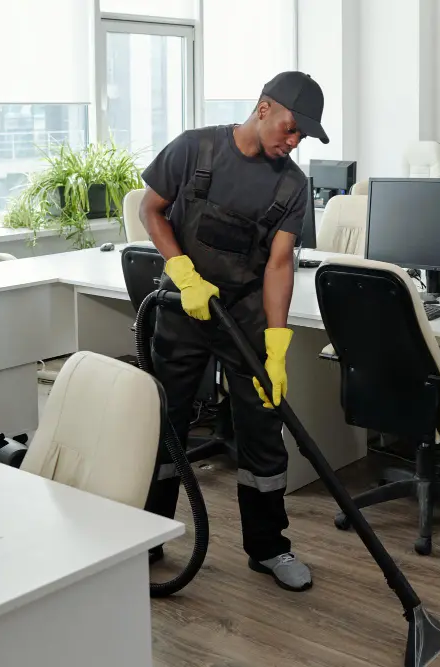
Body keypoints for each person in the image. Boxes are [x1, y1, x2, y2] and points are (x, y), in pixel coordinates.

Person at [138, 71, 328, 593]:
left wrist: (276, 344)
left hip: (242, 316)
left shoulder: (292, 184)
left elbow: (279, 264)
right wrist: (180, 270)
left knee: (263, 432)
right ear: (264, 107)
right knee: (166, 425)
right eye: (291, 129)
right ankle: (146, 539)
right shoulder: (196, 150)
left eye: (302, 138)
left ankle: (269, 548)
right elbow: (149, 209)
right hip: (183, 307)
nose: (293, 143)